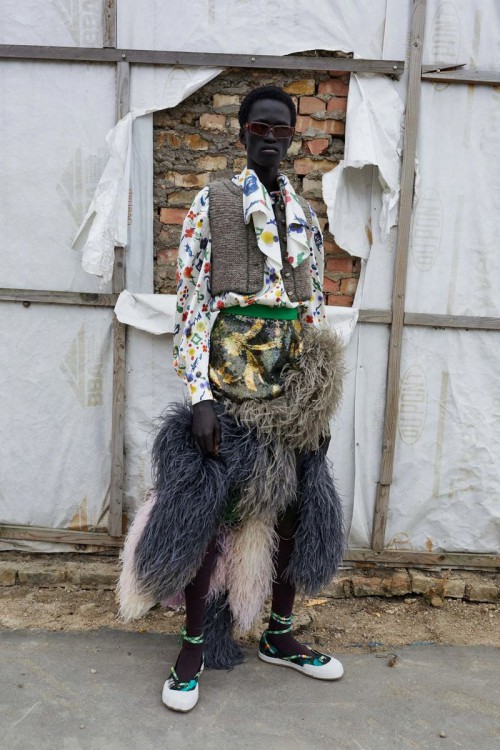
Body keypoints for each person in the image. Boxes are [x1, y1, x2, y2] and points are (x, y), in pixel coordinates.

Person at [118, 85, 346, 713]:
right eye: (260, 127)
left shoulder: (304, 216)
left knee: (296, 510)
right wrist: (199, 397)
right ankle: (193, 645)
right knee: (211, 515)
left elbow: (313, 310)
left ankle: (279, 634)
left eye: (281, 129)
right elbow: (191, 305)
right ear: (242, 132)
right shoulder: (211, 203)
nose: (271, 137)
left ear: (291, 137)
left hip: (292, 394)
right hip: (228, 388)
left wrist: (317, 404)